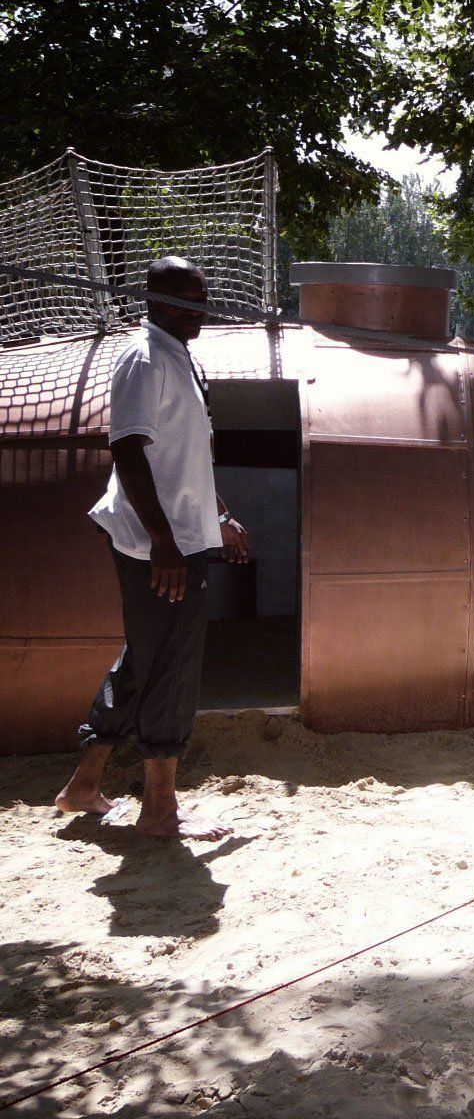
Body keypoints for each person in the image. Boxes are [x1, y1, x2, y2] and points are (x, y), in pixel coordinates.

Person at [55, 256, 250, 840]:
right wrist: (165, 542)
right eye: (192, 297)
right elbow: (129, 450)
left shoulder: (180, 356)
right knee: (173, 662)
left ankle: (84, 786)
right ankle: (159, 809)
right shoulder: (143, 358)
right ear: (160, 300)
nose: (204, 308)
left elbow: (184, 459)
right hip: (155, 544)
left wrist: (220, 516)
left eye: (205, 295)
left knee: (147, 656)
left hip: (178, 534)